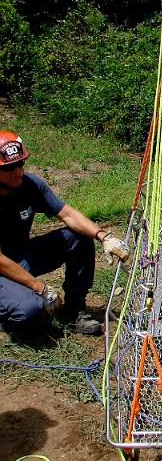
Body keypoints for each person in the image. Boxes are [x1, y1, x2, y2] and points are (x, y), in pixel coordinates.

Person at [0, 130, 130, 335]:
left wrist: (104, 236)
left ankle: (74, 309)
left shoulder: (30, 185)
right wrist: (40, 288)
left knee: (78, 237)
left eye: (21, 164)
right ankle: (10, 311)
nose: (18, 171)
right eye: (9, 167)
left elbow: (66, 213)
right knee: (29, 311)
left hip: (21, 257)